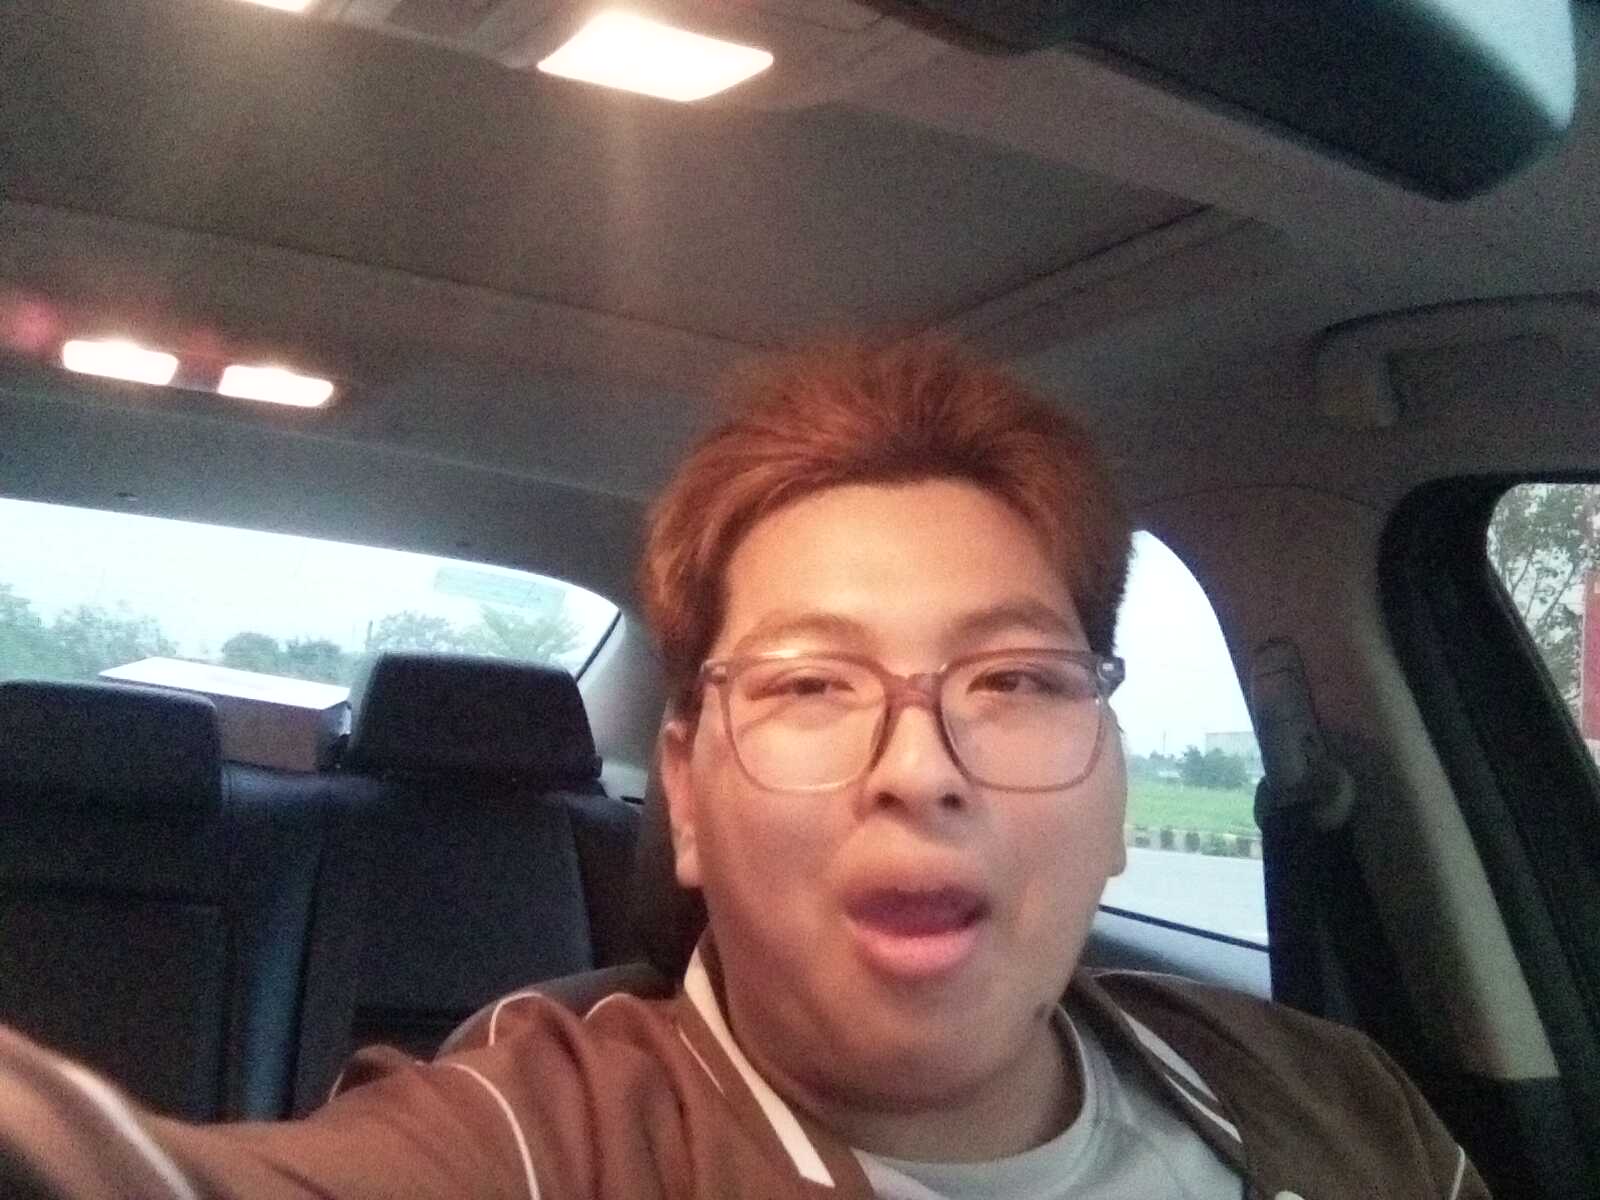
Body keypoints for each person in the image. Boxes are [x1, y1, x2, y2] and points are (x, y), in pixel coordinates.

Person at [0, 339, 1486, 1198]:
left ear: (1112, 783)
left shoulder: (1335, 1101)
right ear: (690, 798)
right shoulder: (550, 1136)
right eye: (812, 683)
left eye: (1015, 680)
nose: (921, 769)